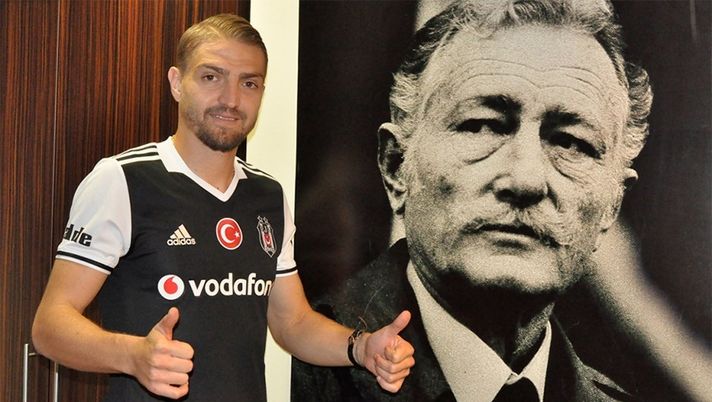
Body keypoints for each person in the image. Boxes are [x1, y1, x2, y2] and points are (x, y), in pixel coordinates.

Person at [31, 14, 415, 402]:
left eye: (248, 83)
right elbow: (49, 328)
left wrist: (360, 347)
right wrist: (133, 356)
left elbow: (293, 322)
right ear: (177, 83)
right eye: (211, 77)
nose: (231, 99)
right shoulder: (123, 180)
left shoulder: (267, 195)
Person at [291, 0, 654, 401]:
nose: (526, 180)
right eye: (483, 126)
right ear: (396, 167)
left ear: (611, 206)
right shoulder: (284, 374)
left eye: (570, 142)